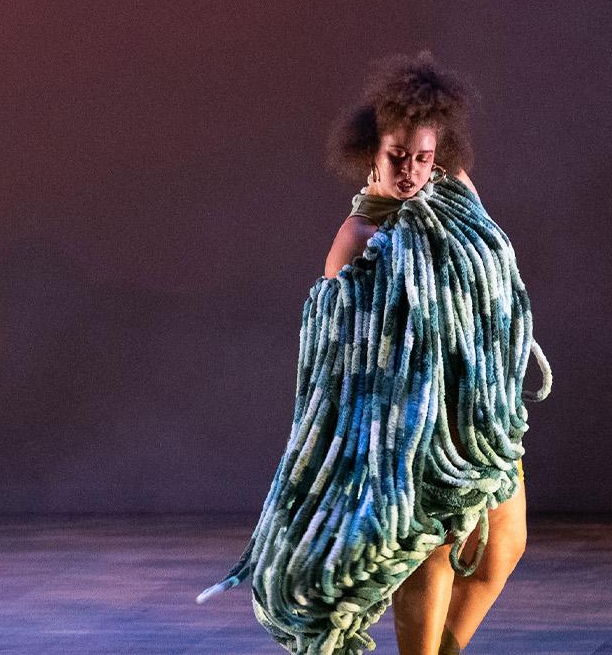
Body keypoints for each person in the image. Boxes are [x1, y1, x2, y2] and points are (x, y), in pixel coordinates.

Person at [201, 54, 551, 655]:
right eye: (398, 158)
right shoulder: (359, 240)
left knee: (504, 547)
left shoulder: (453, 190)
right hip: (412, 434)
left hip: (476, 419)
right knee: (434, 557)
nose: (412, 172)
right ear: (372, 151)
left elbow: (491, 268)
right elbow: (339, 366)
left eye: (423, 157)